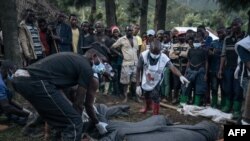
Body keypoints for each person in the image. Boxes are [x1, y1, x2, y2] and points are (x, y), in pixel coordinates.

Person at [11, 50, 109, 141]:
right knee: (74, 123)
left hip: (21, 80)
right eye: (102, 61)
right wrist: (78, 122)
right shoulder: (86, 67)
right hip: (35, 82)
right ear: (94, 56)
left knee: (62, 120)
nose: (103, 66)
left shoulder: (74, 60)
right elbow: (79, 103)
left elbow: (61, 95)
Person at [136, 40, 189, 115]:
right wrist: (138, 85)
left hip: (157, 79)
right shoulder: (143, 55)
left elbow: (172, 67)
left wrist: (180, 75)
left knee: (155, 95)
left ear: (160, 51)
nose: (155, 55)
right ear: (150, 50)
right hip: (146, 78)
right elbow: (138, 70)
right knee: (146, 94)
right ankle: (147, 107)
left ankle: (155, 113)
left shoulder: (164, 57)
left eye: (157, 53)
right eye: (153, 53)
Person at [218, 18, 245, 119]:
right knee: (227, 88)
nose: (234, 27)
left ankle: (237, 109)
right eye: (233, 25)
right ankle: (228, 106)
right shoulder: (227, 39)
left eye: (236, 25)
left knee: (238, 89)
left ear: (241, 25)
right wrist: (220, 69)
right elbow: (223, 55)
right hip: (228, 68)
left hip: (241, 68)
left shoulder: (245, 37)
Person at [0, 60, 34, 125]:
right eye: (13, 71)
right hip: (4, 106)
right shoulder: (0, 84)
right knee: (6, 106)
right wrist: (26, 114)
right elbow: (6, 106)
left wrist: (23, 109)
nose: (14, 73)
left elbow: (8, 100)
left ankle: (15, 117)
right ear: (8, 70)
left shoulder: (3, 78)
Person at [111, 25, 139, 103]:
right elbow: (112, 48)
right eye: (128, 30)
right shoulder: (121, 39)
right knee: (126, 82)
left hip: (135, 62)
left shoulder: (135, 39)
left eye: (131, 30)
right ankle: (125, 97)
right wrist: (120, 54)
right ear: (125, 31)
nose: (130, 32)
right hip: (126, 63)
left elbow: (137, 51)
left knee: (134, 81)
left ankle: (135, 96)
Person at [180, 33, 208, 106]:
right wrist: (186, 72)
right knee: (186, 86)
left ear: (200, 43)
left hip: (200, 70)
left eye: (197, 42)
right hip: (190, 70)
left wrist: (206, 74)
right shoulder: (190, 50)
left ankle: (196, 103)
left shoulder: (204, 51)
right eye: (195, 42)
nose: (196, 43)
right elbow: (188, 61)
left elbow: (206, 62)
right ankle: (183, 102)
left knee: (199, 88)